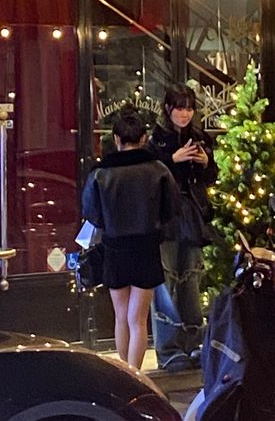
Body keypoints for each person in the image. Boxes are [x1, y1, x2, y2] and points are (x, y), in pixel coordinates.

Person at [81, 106, 180, 369]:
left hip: (114, 247)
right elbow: (171, 208)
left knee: (121, 316)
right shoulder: (157, 169)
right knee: (138, 320)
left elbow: (91, 212)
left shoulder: (101, 173)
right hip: (146, 247)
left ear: (116, 139)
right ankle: (137, 375)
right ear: (144, 138)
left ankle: (124, 374)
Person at [150, 83, 218, 371]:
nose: (185, 114)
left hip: (192, 216)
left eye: (189, 108)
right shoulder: (157, 139)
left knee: (191, 278)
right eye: (179, 108)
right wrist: (172, 160)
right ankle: (168, 348)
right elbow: (149, 176)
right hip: (164, 217)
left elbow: (211, 177)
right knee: (165, 279)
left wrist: (206, 162)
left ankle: (194, 344)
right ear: (168, 109)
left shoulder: (199, 137)